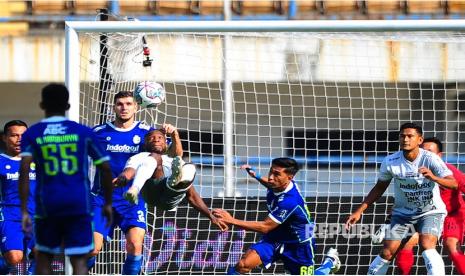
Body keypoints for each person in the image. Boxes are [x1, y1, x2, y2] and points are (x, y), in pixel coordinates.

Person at [18, 83, 113, 275]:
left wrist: (24, 210)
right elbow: (105, 168)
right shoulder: (84, 132)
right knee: (79, 260)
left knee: (44, 257)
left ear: (42, 105)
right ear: (67, 106)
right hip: (78, 205)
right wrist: (108, 203)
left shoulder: (32, 133)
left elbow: (24, 172)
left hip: (47, 205)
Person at [345, 122, 458, 275]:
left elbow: (454, 183)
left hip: (430, 211)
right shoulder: (390, 162)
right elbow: (379, 188)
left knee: (427, 245)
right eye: (402, 136)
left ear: (419, 140)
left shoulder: (430, 159)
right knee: (387, 253)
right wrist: (359, 211)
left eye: (410, 136)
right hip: (402, 214)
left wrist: (434, 177)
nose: (405, 139)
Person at [90, 91, 178, 274]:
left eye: (129, 104)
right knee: (92, 249)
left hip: (133, 198)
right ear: (113, 107)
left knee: (135, 245)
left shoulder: (147, 132)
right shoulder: (98, 132)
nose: (124, 107)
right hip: (101, 199)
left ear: (136, 107)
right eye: (120, 104)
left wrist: (174, 134)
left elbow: (174, 154)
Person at [213, 158, 339, 275]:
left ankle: (329, 263)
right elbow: (269, 183)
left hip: (298, 244)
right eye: (270, 172)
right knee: (243, 265)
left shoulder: (290, 201)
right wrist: (255, 175)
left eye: (277, 174)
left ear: (290, 177)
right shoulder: (278, 184)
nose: (271, 177)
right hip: (275, 238)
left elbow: (265, 227)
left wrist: (231, 220)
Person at [372, 137, 465, 275]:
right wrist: (389, 219)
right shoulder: (412, 171)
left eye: (430, 151)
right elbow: (405, 200)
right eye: (423, 150)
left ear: (439, 156)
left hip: (452, 214)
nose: (426, 154)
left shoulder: (449, 171)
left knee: (451, 246)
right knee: (406, 243)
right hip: (423, 214)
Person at [113, 129, 228, 231]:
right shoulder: (139, 157)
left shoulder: (173, 162)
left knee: (189, 168)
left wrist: (211, 216)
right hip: (151, 193)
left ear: (166, 144)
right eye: (151, 138)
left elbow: (192, 195)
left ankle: (173, 182)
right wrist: (122, 179)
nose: (156, 140)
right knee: (153, 159)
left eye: (160, 138)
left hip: (170, 199)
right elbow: (128, 172)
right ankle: (135, 189)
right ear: (145, 143)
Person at [0, 120, 36, 274]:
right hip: (10, 215)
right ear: (5, 138)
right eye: (14, 135)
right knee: (15, 258)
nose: (19, 139)